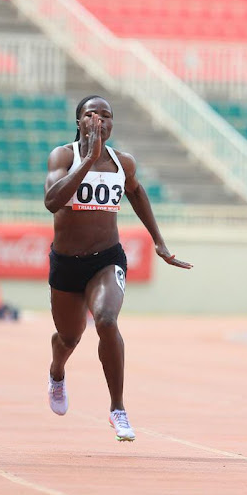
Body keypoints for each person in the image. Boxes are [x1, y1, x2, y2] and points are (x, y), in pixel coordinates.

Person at [44, 95, 192, 441]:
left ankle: (117, 408)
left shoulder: (123, 162)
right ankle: (57, 370)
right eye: (91, 114)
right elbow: (52, 201)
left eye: (106, 115)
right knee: (69, 336)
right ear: (79, 122)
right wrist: (88, 161)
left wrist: (159, 241)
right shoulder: (64, 156)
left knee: (107, 320)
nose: (99, 120)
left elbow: (137, 193)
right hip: (66, 263)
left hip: (106, 259)